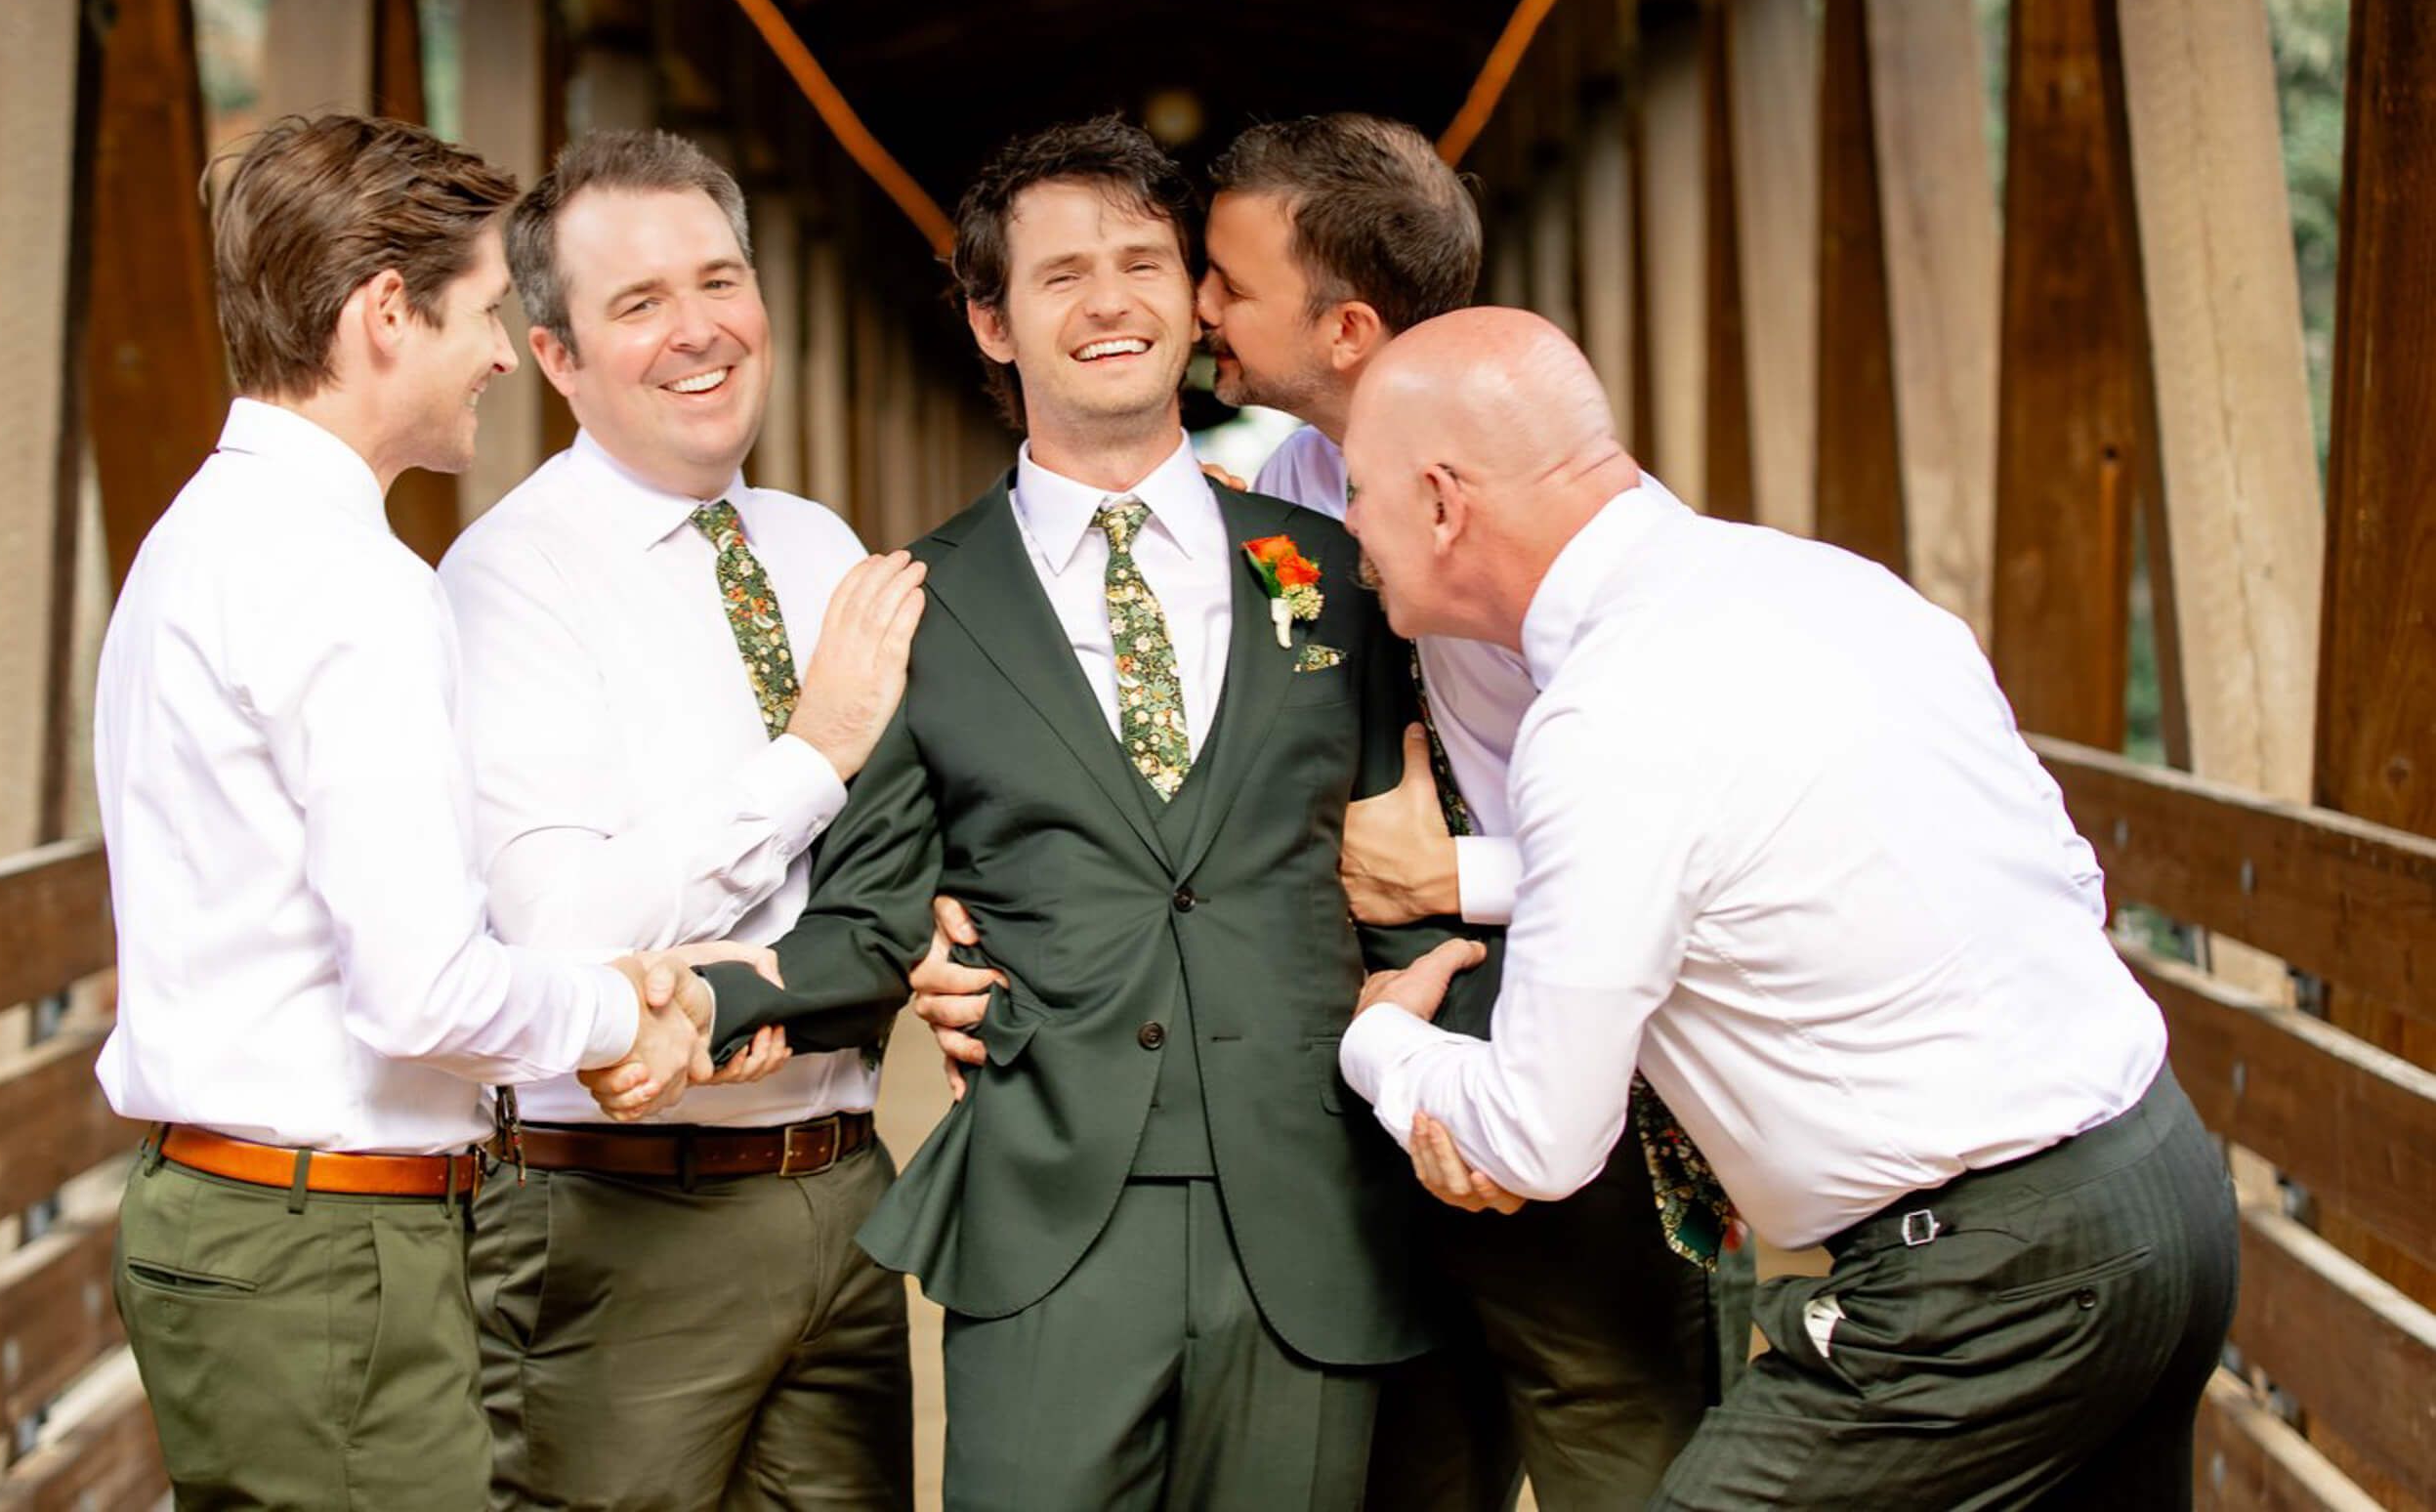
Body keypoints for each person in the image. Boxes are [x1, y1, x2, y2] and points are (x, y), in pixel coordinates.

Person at [1338, 308, 2240, 1508]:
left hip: (1981, 1290)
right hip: (2163, 1188)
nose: (1349, 528)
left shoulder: (1606, 714)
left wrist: (1380, 1041)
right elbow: (2057, 873)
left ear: (1444, 503)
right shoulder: (1829, 584)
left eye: (1357, 492)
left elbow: (1537, 1142)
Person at [691, 116, 1454, 1509]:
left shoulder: (1340, 572)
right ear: (991, 322)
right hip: (1049, 1222)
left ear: (1189, 298)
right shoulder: (915, 602)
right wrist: (690, 1004)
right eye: (1058, 277)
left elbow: (1404, 867)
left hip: (1314, 1216)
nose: (1110, 303)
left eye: (1144, 263)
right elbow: (869, 910)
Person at [95, 113, 717, 1510]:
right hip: (328, 1256)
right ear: (387, 313)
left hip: (230, 1227)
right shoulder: (348, 581)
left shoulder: (194, 538)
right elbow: (421, 992)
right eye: (488, 312)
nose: (505, 352)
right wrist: (625, 1010)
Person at [1205, 113, 1719, 1507]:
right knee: (1414, 1440)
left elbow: (1667, 843)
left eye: (1229, 284)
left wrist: (1453, 876)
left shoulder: (1547, 533)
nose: (1201, 309)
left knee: (1619, 1425)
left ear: (1351, 328)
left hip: (1559, 1004)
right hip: (1373, 1029)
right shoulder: (1291, 485)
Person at [441, 129, 925, 1509]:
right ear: (557, 359)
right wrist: (811, 751)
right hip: (620, 1214)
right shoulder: (510, 582)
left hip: (843, 1185)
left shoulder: (815, 543)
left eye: (718, 280)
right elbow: (560, 931)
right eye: (638, 303)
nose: (697, 330)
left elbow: (883, 858)